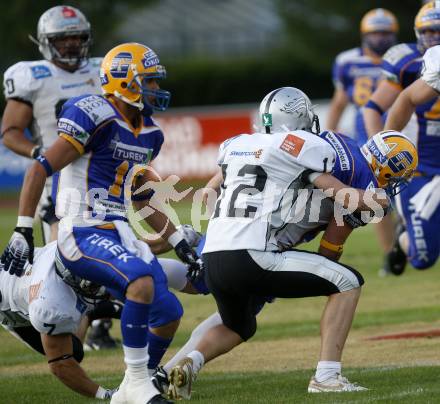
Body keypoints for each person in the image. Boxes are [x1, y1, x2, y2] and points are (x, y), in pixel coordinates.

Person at [163, 87, 417, 399]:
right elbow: (333, 237)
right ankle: (327, 376)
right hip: (257, 249)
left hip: (222, 240)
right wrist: (372, 202)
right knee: (347, 282)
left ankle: (179, 366)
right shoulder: (323, 158)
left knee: (239, 323)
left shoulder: (249, 144)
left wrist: (211, 206)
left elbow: (215, 184)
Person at [0, 42, 204, 404]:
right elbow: (40, 167)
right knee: (139, 281)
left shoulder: (150, 134)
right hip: (80, 228)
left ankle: (131, 387)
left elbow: (140, 195)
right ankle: (140, 383)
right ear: (126, 81)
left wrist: (178, 239)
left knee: (169, 312)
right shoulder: (93, 112)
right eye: (150, 82)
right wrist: (21, 228)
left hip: (118, 229)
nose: (156, 89)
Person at [1, 5, 114, 350]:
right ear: (45, 42)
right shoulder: (32, 75)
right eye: (62, 39)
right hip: (60, 180)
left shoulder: (103, 69)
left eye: (76, 37)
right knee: (68, 263)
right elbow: (10, 132)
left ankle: (97, 325)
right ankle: (45, 325)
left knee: (114, 247)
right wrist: (39, 153)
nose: (70, 44)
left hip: (103, 175)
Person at [363, 1, 440, 275]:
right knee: (422, 258)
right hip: (420, 165)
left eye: (438, 31)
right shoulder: (410, 62)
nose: (433, 37)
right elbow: (375, 107)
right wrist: (382, 148)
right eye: (428, 31)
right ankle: (402, 239)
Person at [381, 44, 440, 274]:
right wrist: (386, 145)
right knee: (422, 258)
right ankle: (403, 239)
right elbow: (406, 98)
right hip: (423, 172)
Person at [326, 8, 398, 145]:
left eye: (385, 33)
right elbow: (339, 102)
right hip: (363, 125)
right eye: (375, 33)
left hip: (397, 122)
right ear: (364, 34)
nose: (380, 38)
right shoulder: (347, 61)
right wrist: (330, 131)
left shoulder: (402, 59)